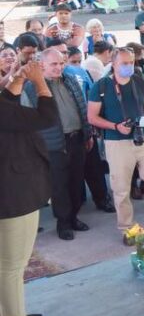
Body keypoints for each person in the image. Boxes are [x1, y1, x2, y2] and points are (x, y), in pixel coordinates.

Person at [1, 60, 64, 316]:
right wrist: (39, 82)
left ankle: (8, 315)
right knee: (12, 265)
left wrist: (16, 80)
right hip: (13, 193)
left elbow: (7, 104)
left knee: (6, 263)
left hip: (12, 190)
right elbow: (46, 117)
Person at [87, 46, 144, 233]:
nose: (128, 66)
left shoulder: (139, 81)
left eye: (131, 62)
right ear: (113, 64)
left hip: (143, 138)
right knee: (121, 189)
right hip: (117, 142)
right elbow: (92, 117)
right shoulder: (101, 86)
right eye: (124, 63)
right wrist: (116, 126)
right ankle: (127, 228)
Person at [27, 47, 91, 240]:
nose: (59, 67)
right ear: (42, 65)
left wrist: (87, 134)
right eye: (54, 64)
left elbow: (81, 106)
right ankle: (63, 223)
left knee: (76, 181)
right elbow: (30, 120)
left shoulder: (70, 80)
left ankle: (73, 218)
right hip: (54, 144)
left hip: (77, 138)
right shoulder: (33, 87)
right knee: (59, 186)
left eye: (62, 63)